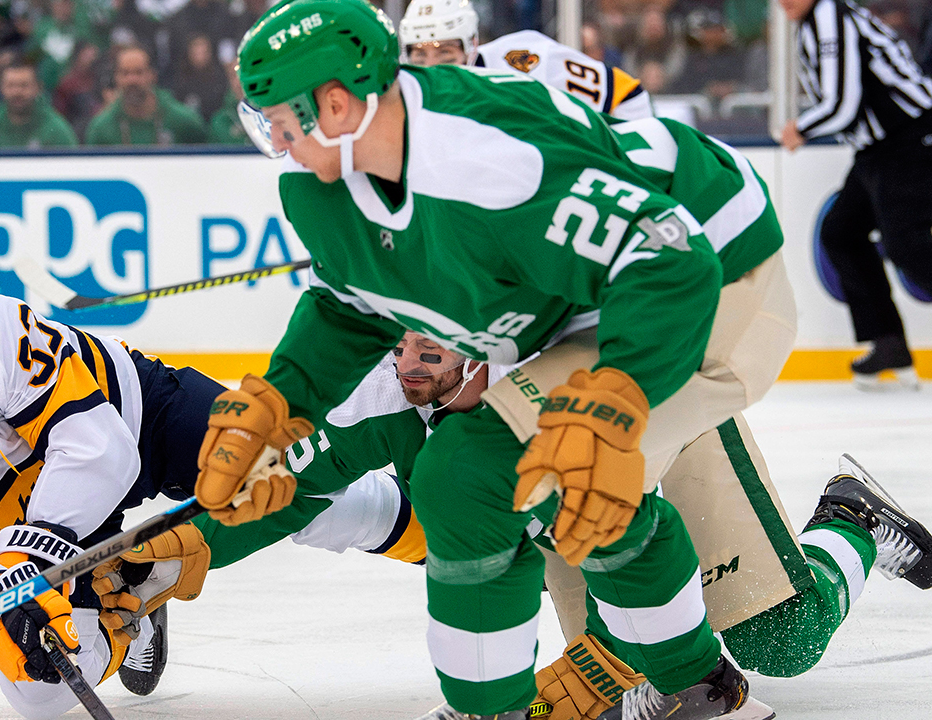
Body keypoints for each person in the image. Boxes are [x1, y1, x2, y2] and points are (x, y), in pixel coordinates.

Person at [196, 0, 804, 717]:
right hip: (601, 294)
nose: (277, 142)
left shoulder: (487, 160)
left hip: (718, 273)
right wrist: (279, 403)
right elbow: (350, 306)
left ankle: (521, 702)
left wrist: (615, 398)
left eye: (280, 122)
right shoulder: (323, 186)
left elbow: (668, 260)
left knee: (478, 474)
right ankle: (697, 684)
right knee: (510, 478)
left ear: (336, 105)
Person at [192, 333, 932, 720]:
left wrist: (616, 653)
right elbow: (283, 491)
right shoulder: (391, 388)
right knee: (618, 687)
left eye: (428, 351)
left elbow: (635, 528)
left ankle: (850, 520)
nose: (407, 368)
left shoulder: (548, 353)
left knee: (780, 642)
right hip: (561, 487)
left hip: (662, 427)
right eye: (399, 347)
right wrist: (175, 554)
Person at [0, 274, 393, 719]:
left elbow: (96, 447)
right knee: (39, 690)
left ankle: (428, 509)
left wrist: (28, 561)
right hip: (31, 529)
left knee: (272, 484)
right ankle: (134, 598)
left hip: (135, 417)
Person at [778, 0, 932, 389]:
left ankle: (888, 343)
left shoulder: (830, 17)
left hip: (911, 138)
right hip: (879, 148)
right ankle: (888, 344)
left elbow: (842, 105)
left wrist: (801, 127)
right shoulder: (817, 20)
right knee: (841, 232)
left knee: (908, 245)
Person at [398, 0, 652, 120]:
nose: (432, 68)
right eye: (420, 55)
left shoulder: (521, 61)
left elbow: (624, 94)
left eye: (445, 53)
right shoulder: (404, 101)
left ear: (472, 46)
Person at [85, 43, 208, 145]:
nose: (131, 80)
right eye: (125, 73)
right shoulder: (101, 128)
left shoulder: (184, 121)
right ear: (116, 78)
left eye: (138, 72)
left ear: (152, 75)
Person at [0, 59, 78, 148]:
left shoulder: (56, 128)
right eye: (10, 85)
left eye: (24, 85)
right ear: (1, 88)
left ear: (38, 88)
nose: (17, 92)